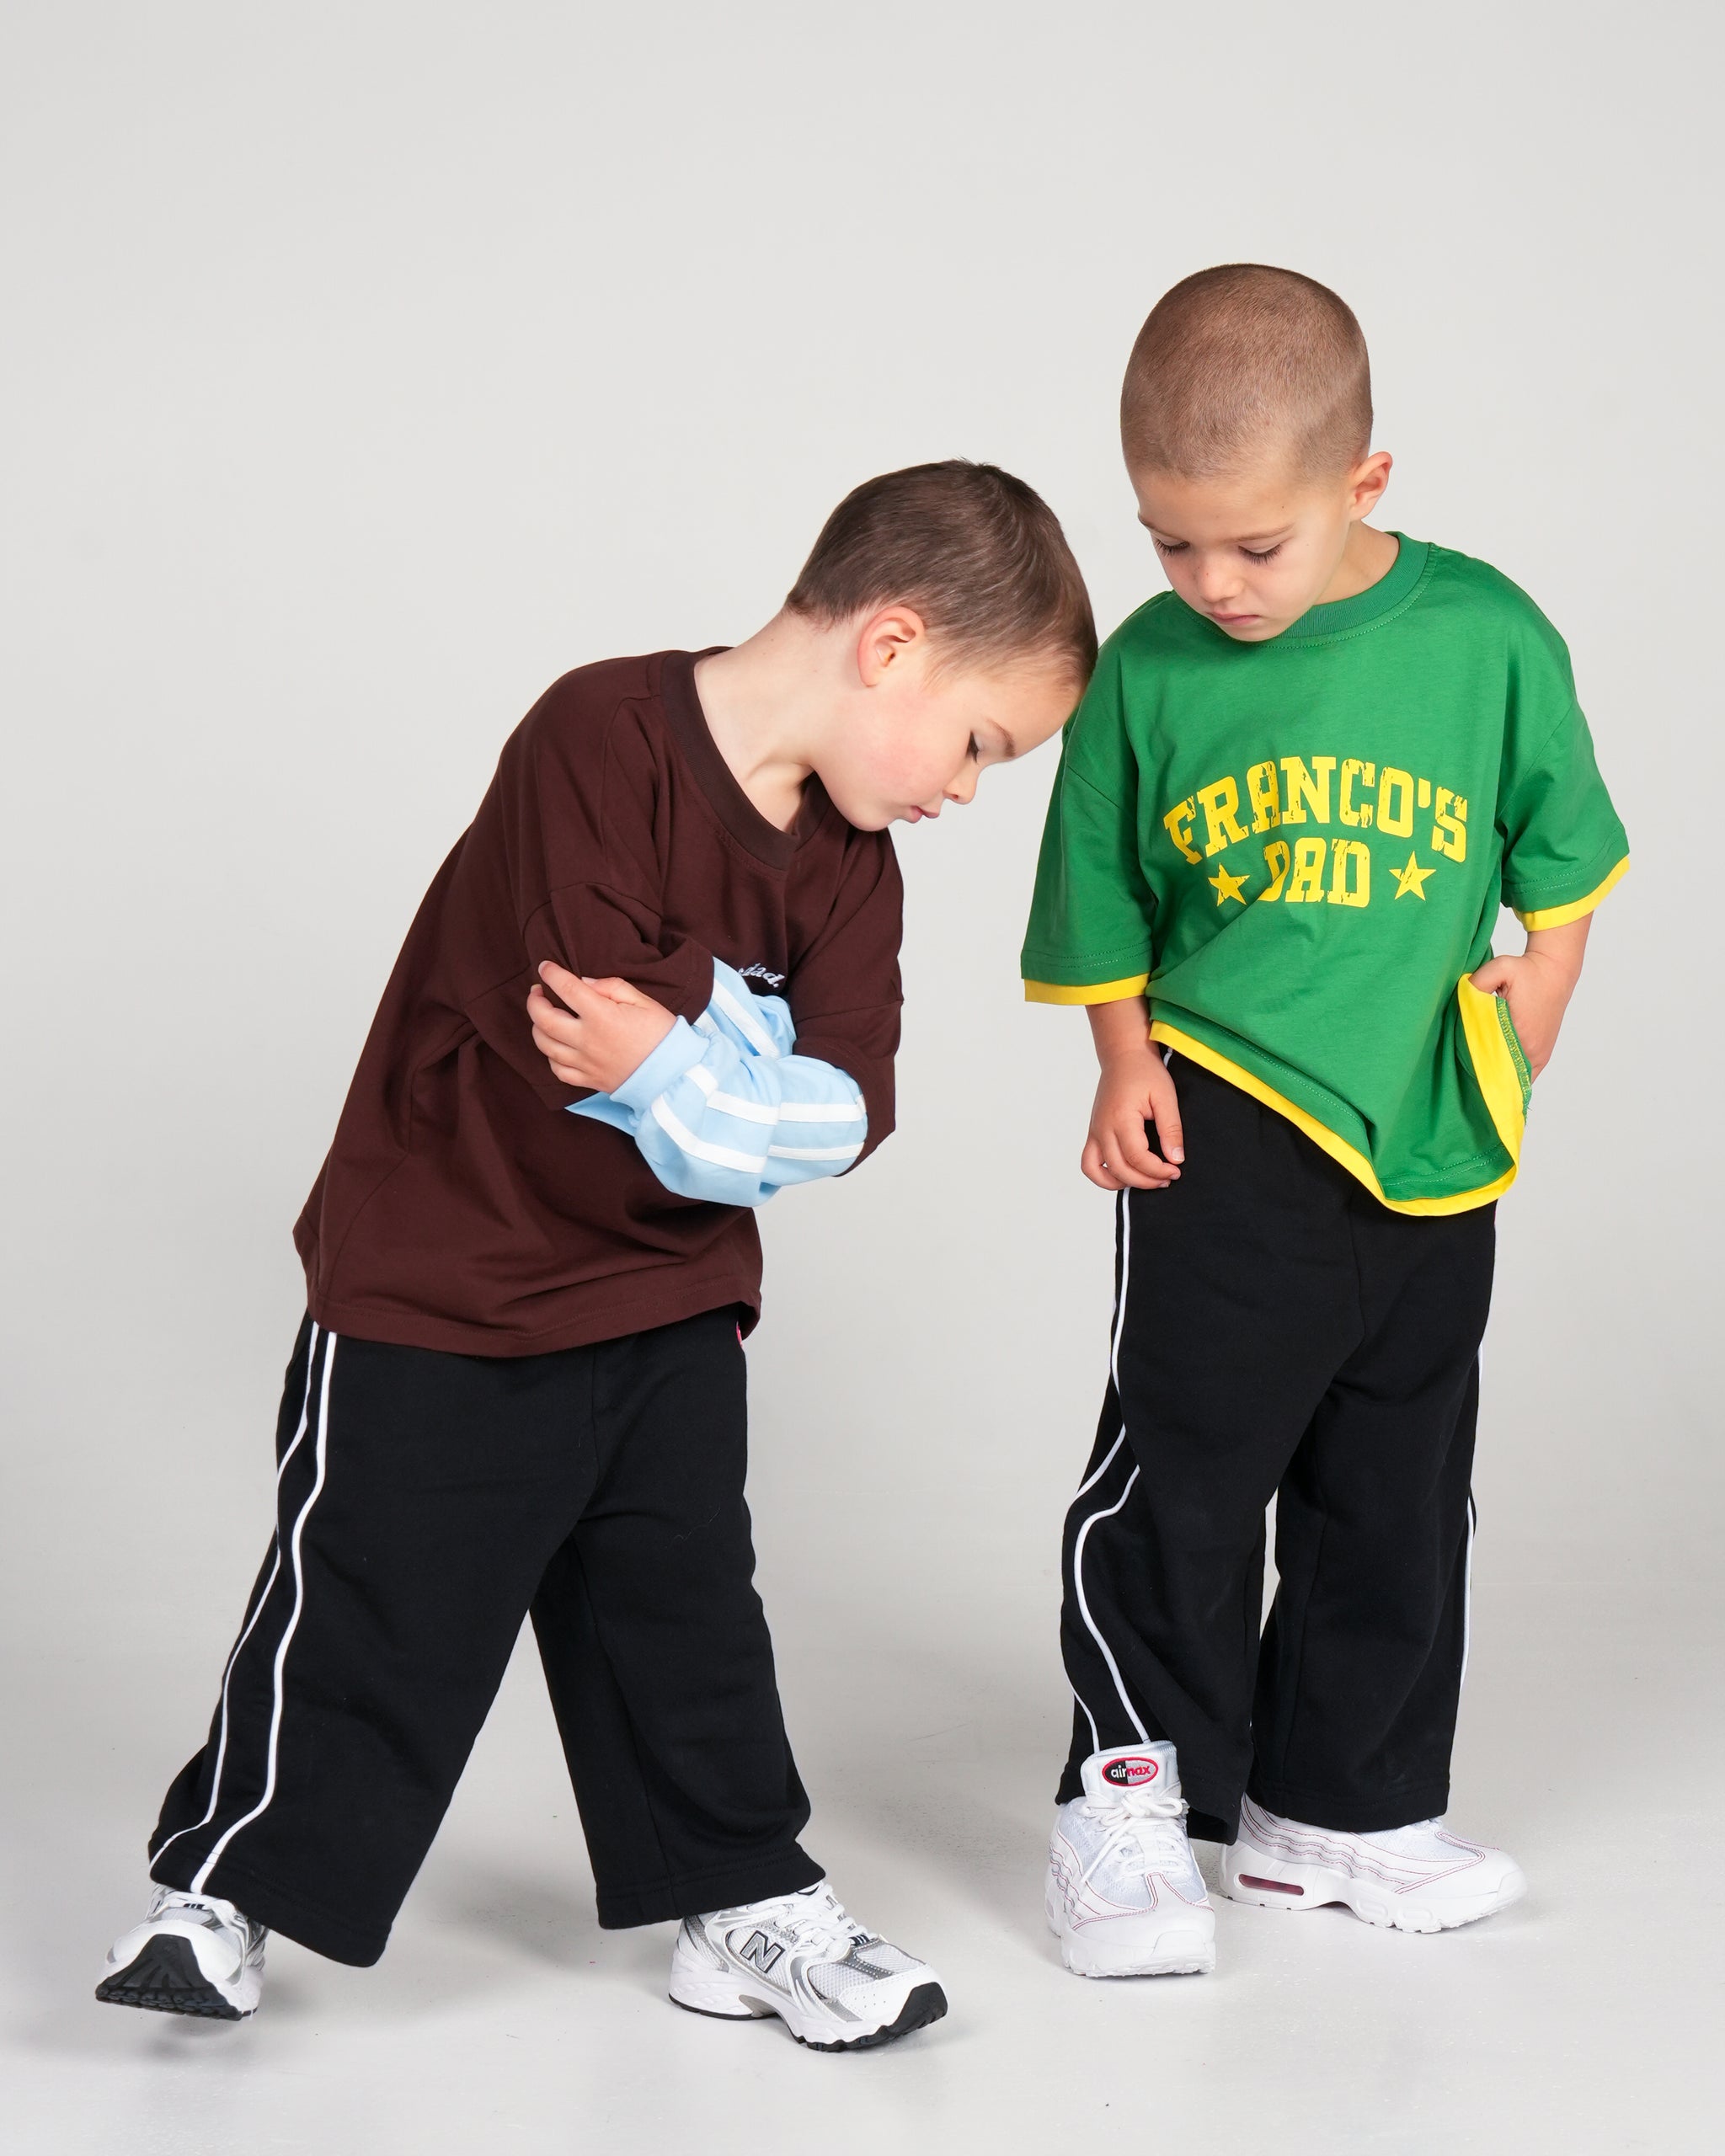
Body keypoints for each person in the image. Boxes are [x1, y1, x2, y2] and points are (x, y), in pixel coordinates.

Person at [99, 460, 1095, 2047]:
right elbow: (585, 1023)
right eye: (981, 745)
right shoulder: (597, 736)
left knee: (683, 1612)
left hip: (668, 1291)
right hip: (448, 1268)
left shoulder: (852, 865)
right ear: (893, 644)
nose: (969, 793)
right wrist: (739, 1061)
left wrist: (683, 1056)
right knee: (376, 1597)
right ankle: (226, 1889)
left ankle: (743, 1899)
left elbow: (845, 1116)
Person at [1023, 267, 1628, 1978]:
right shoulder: (1147, 670)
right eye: (1170, 543)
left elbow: (1564, 854)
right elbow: (1098, 886)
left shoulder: (1486, 636)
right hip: (1225, 1110)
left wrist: (1540, 1001)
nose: (1211, 583)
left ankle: (1337, 1810)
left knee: (1398, 1483)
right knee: (1188, 1471)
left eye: (1253, 545)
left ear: (1364, 484)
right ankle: (1128, 1798)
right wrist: (1121, 1060)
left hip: (1431, 1122)